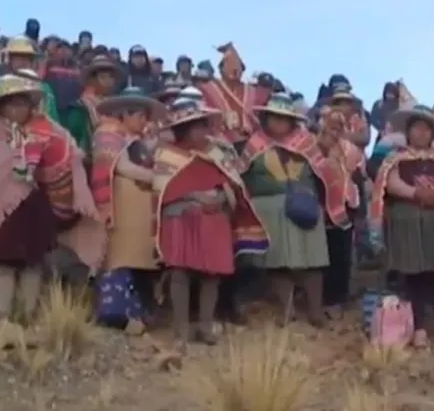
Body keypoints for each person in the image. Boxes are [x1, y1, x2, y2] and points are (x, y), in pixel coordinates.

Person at [153, 94, 268, 347]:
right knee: (180, 272)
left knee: (212, 275)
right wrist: (193, 197)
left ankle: (205, 325)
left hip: (215, 218)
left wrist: (221, 198)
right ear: (183, 128)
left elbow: (234, 183)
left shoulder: (218, 151)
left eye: (204, 123)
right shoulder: (166, 154)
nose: (204, 129)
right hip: (179, 217)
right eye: (198, 125)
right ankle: (181, 328)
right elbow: (160, 190)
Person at [0, 73, 101, 322]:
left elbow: (48, 165)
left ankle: (26, 314)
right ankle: (4, 317)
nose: (18, 109)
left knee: (32, 262)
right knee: (4, 264)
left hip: (32, 207)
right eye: (12, 103)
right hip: (6, 210)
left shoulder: (44, 131)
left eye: (22, 103)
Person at [370, 104, 434, 349]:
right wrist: (417, 193)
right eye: (417, 129)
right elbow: (389, 183)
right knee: (415, 276)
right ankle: (419, 328)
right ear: (408, 132)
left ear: (432, 134)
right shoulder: (396, 158)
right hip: (409, 221)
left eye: (426, 129)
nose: (421, 134)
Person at [239, 93, 334, 327]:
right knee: (277, 262)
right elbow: (244, 176)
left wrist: (307, 192)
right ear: (266, 118)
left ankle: (315, 310)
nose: (279, 123)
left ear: (292, 121)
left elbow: (320, 174)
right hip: (269, 208)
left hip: (304, 207)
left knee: (313, 260)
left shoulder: (306, 142)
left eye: (284, 118)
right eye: (274, 118)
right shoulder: (255, 143)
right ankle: (287, 309)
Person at [90, 88, 166, 332]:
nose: (143, 120)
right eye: (138, 115)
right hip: (120, 204)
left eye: (145, 115)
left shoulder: (138, 140)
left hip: (140, 206)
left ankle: (136, 312)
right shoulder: (107, 133)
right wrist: (153, 177)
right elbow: (121, 166)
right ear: (123, 114)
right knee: (119, 256)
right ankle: (114, 312)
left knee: (136, 259)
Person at [314, 109, 365, 315]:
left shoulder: (352, 151)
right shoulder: (309, 146)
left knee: (341, 255)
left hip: (345, 208)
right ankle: (318, 300)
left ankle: (337, 300)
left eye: (339, 127)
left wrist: (360, 212)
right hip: (316, 208)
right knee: (319, 256)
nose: (335, 131)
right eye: (331, 126)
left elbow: (360, 180)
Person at [199, 43, 271, 143]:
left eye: (237, 66)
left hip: (250, 142)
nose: (234, 69)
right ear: (221, 69)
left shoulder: (255, 92)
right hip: (220, 141)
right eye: (229, 65)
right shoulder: (209, 88)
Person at [64, 55, 122, 156]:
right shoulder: (80, 107)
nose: (108, 81)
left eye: (110, 77)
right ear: (93, 80)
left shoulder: (118, 105)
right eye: (103, 77)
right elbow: (73, 137)